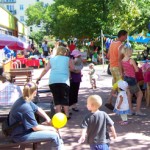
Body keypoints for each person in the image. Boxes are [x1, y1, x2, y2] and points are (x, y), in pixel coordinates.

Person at [9, 81, 63, 149]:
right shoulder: (26, 107)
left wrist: (48, 119)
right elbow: (35, 128)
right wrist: (52, 128)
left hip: (22, 130)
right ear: (35, 92)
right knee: (54, 135)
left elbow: (37, 109)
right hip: (20, 136)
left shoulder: (23, 100)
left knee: (48, 127)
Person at [36, 46, 74, 119]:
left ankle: (59, 116)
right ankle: (67, 115)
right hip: (64, 81)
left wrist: (39, 77)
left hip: (53, 80)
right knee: (65, 98)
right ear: (64, 52)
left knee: (56, 98)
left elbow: (45, 69)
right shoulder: (67, 59)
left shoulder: (52, 59)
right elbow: (72, 68)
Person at [105, 30, 128, 110]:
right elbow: (119, 59)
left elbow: (108, 56)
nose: (126, 38)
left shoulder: (112, 44)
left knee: (116, 85)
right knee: (121, 86)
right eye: (126, 36)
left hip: (111, 66)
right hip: (117, 67)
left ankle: (109, 101)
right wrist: (122, 71)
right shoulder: (121, 45)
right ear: (122, 35)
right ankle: (119, 105)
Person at [121, 46, 146, 116]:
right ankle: (137, 110)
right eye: (131, 51)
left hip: (126, 78)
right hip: (132, 79)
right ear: (128, 52)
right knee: (140, 94)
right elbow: (137, 70)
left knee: (129, 94)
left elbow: (124, 70)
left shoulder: (122, 60)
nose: (132, 53)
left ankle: (130, 110)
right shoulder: (131, 60)